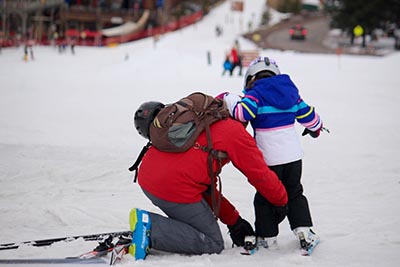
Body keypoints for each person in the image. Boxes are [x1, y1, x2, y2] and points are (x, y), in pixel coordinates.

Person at [128, 100, 288, 259]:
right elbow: (259, 174)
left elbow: (205, 187)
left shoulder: (199, 119)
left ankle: (154, 228)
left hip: (150, 178)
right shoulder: (233, 132)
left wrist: (234, 221)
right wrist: (281, 200)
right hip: (173, 187)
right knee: (212, 242)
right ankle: (150, 228)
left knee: (195, 225)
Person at [222, 56, 323, 251]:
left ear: (251, 77)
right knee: (294, 192)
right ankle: (304, 230)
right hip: (293, 157)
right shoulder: (292, 95)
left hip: (268, 159)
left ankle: (266, 236)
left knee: (265, 195)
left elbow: (243, 113)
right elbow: (311, 118)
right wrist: (317, 128)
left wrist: (229, 99)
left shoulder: (256, 94)